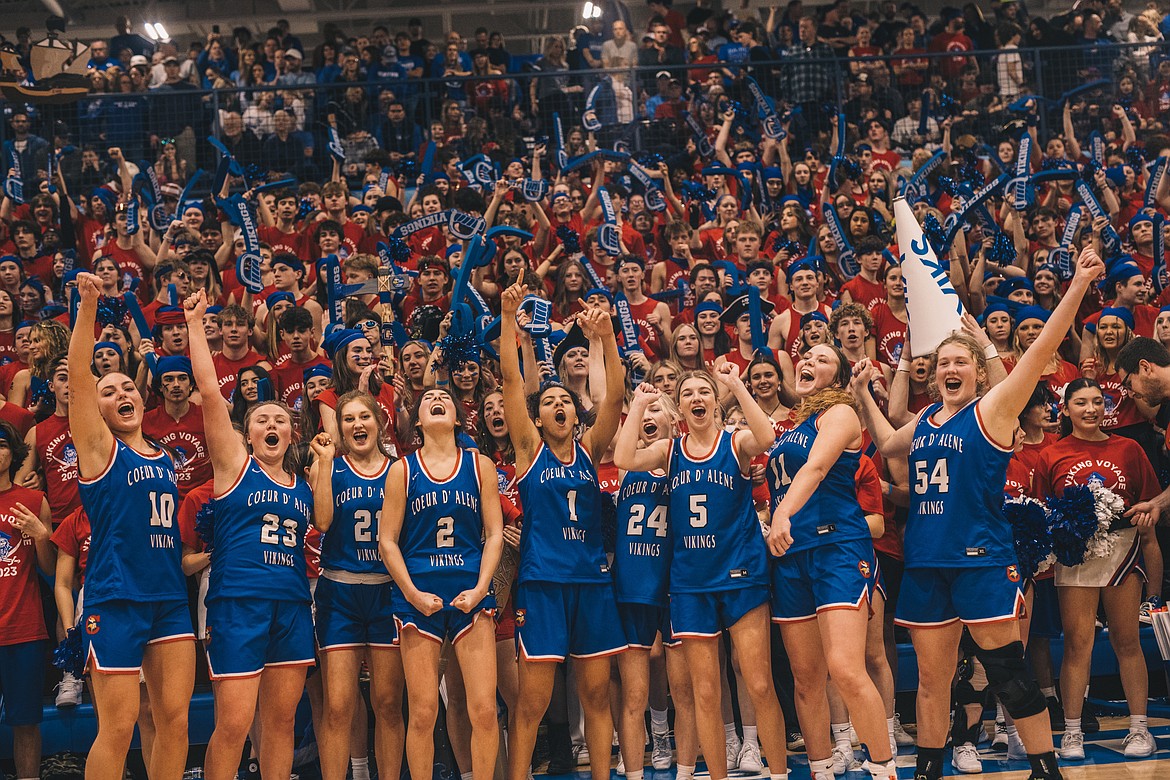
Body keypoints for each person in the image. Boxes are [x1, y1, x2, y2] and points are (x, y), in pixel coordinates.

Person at [850, 248, 1107, 780]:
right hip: (925, 562)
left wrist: (1078, 284)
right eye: (942, 362)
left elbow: (1039, 352)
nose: (949, 368)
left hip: (981, 560)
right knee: (931, 680)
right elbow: (885, 444)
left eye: (959, 361)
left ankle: (1044, 767)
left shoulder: (991, 411)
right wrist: (861, 396)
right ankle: (927, 767)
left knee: (1008, 673)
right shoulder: (923, 422)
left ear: (975, 370)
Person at [614, 364, 788, 780]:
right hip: (690, 584)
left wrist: (734, 384)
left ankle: (780, 774)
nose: (697, 398)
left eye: (704, 392)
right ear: (681, 407)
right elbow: (623, 457)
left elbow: (767, 436)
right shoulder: (670, 450)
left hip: (740, 574)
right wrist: (638, 405)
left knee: (759, 683)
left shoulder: (736, 441)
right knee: (705, 693)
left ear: (714, 401)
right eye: (688, 393)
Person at [183, 288, 315, 780]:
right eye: (263, 419)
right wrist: (196, 323)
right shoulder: (234, 465)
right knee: (234, 723)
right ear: (249, 431)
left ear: (291, 432)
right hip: (239, 602)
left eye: (281, 418)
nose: (272, 423)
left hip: (293, 603)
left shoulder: (303, 485)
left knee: (281, 723)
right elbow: (210, 392)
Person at [67, 272, 194, 780]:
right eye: (107, 391)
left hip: (167, 598)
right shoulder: (100, 450)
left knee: (176, 722)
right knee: (118, 727)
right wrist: (88, 308)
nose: (119, 392)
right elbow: (79, 376)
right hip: (115, 596)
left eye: (127, 386)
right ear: (94, 410)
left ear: (142, 399)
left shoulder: (164, 455)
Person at [498, 286, 626, 780]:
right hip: (544, 582)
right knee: (533, 699)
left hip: (591, 581)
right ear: (538, 415)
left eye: (564, 402)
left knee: (595, 695)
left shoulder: (591, 449)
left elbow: (614, 393)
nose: (556, 406)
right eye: (547, 401)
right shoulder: (529, 448)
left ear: (575, 414)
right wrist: (509, 319)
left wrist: (607, 336)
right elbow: (511, 382)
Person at [766, 343, 897, 780]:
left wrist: (783, 510)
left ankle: (883, 768)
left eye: (823, 359)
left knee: (844, 667)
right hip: (791, 555)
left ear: (838, 379)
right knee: (806, 679)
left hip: (837, 547)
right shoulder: (789, 428)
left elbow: (817, 468)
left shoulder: (841, 413)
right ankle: (822, 770)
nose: (808, 362)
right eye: (806, 357)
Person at [379, 386, 503, 780]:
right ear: (417, 419)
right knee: (423, 710)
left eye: (445, 398)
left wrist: (483, 587)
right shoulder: (402, 469)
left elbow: (495, 533)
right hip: (418, 596)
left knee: (483, 707)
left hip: (470, 589)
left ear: (456, 417)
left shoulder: (479, 464)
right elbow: (387, 540)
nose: (437, 399)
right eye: (429, 397)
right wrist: (412, 594)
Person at [1031, 378, 1159, 760]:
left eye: (1098, 402)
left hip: (1123, 552)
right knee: (1077, 643)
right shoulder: (1051, 454)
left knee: (1126, 640)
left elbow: (1151, 503)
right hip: (1076, 555)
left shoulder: (1129, 448)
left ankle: (1139, 727)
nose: (1091, 409)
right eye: (1082, 402)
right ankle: (1071, 732)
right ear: (1065, 409)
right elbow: (1040, 510)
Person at [309, 392, 405, 780]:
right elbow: (324, 522)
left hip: (387, 590)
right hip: (340, 591)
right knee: (338, 705)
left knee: (388, 703)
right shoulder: (328, 466)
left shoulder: (400, 469)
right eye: (348, 419)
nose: (357, 425)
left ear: (379, 422)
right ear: (339, 427)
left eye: (364, 416)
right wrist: (325, 463)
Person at [611, 392, 698, 780]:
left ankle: (684, 771)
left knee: (685, 693)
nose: (647, 414)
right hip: (632, 585)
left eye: (656, 408)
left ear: (675, 419)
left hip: (676, 586)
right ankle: (632, 773)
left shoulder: (685, 460)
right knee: (634, 696)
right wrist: (640, 404)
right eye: (640, 411)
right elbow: (622, 454)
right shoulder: (631, 466)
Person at [0, 418, 53, 780]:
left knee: (26, 724)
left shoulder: (33, 500)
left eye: (2, 443)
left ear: (13, 452)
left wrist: (40, 534)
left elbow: (49, 568)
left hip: (23, 629)